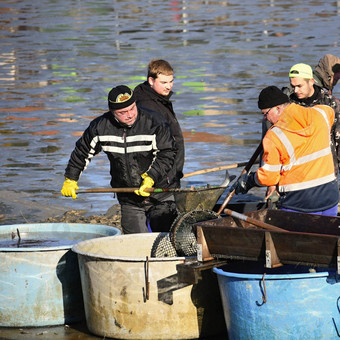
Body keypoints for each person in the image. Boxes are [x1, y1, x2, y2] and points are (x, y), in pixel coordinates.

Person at [60, 85, 179, 234]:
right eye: (123, 112)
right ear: (112, 112)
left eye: (132, 108)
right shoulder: (100, 127)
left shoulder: (155, 122)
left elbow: (167, 153)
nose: (130, 115)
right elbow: (81, 152)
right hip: (128, 196)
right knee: (136, 243)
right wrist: (71, 178)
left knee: (165, 239)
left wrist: (151, 177)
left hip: (161, 193)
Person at [235, 86, 339, 216]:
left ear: (278, 109)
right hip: (330, 196)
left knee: (290, 235)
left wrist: (249, 180)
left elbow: (269, 177)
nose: (265, 119)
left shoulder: (274, 136)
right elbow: (330, 112)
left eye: (265, 114)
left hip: (299, 202)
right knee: (327, 235)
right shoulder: (321, 114)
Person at [262, 63, 340, 201]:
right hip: (295, 176)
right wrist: (272, 182)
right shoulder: (288, 104)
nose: (296, 90)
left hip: (325, 171)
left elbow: (338, 140)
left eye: (299, 86)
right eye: (293, 86)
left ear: (311, 81)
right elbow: (275, 146)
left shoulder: (330, 104)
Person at [134, 59, 184, 188]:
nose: (169, 86)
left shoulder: (160, 100)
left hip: (170, 173)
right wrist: (158, 176)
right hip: (159, 177)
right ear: (151, 81)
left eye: (171, 81)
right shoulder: (147, 106)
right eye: (164, 82)